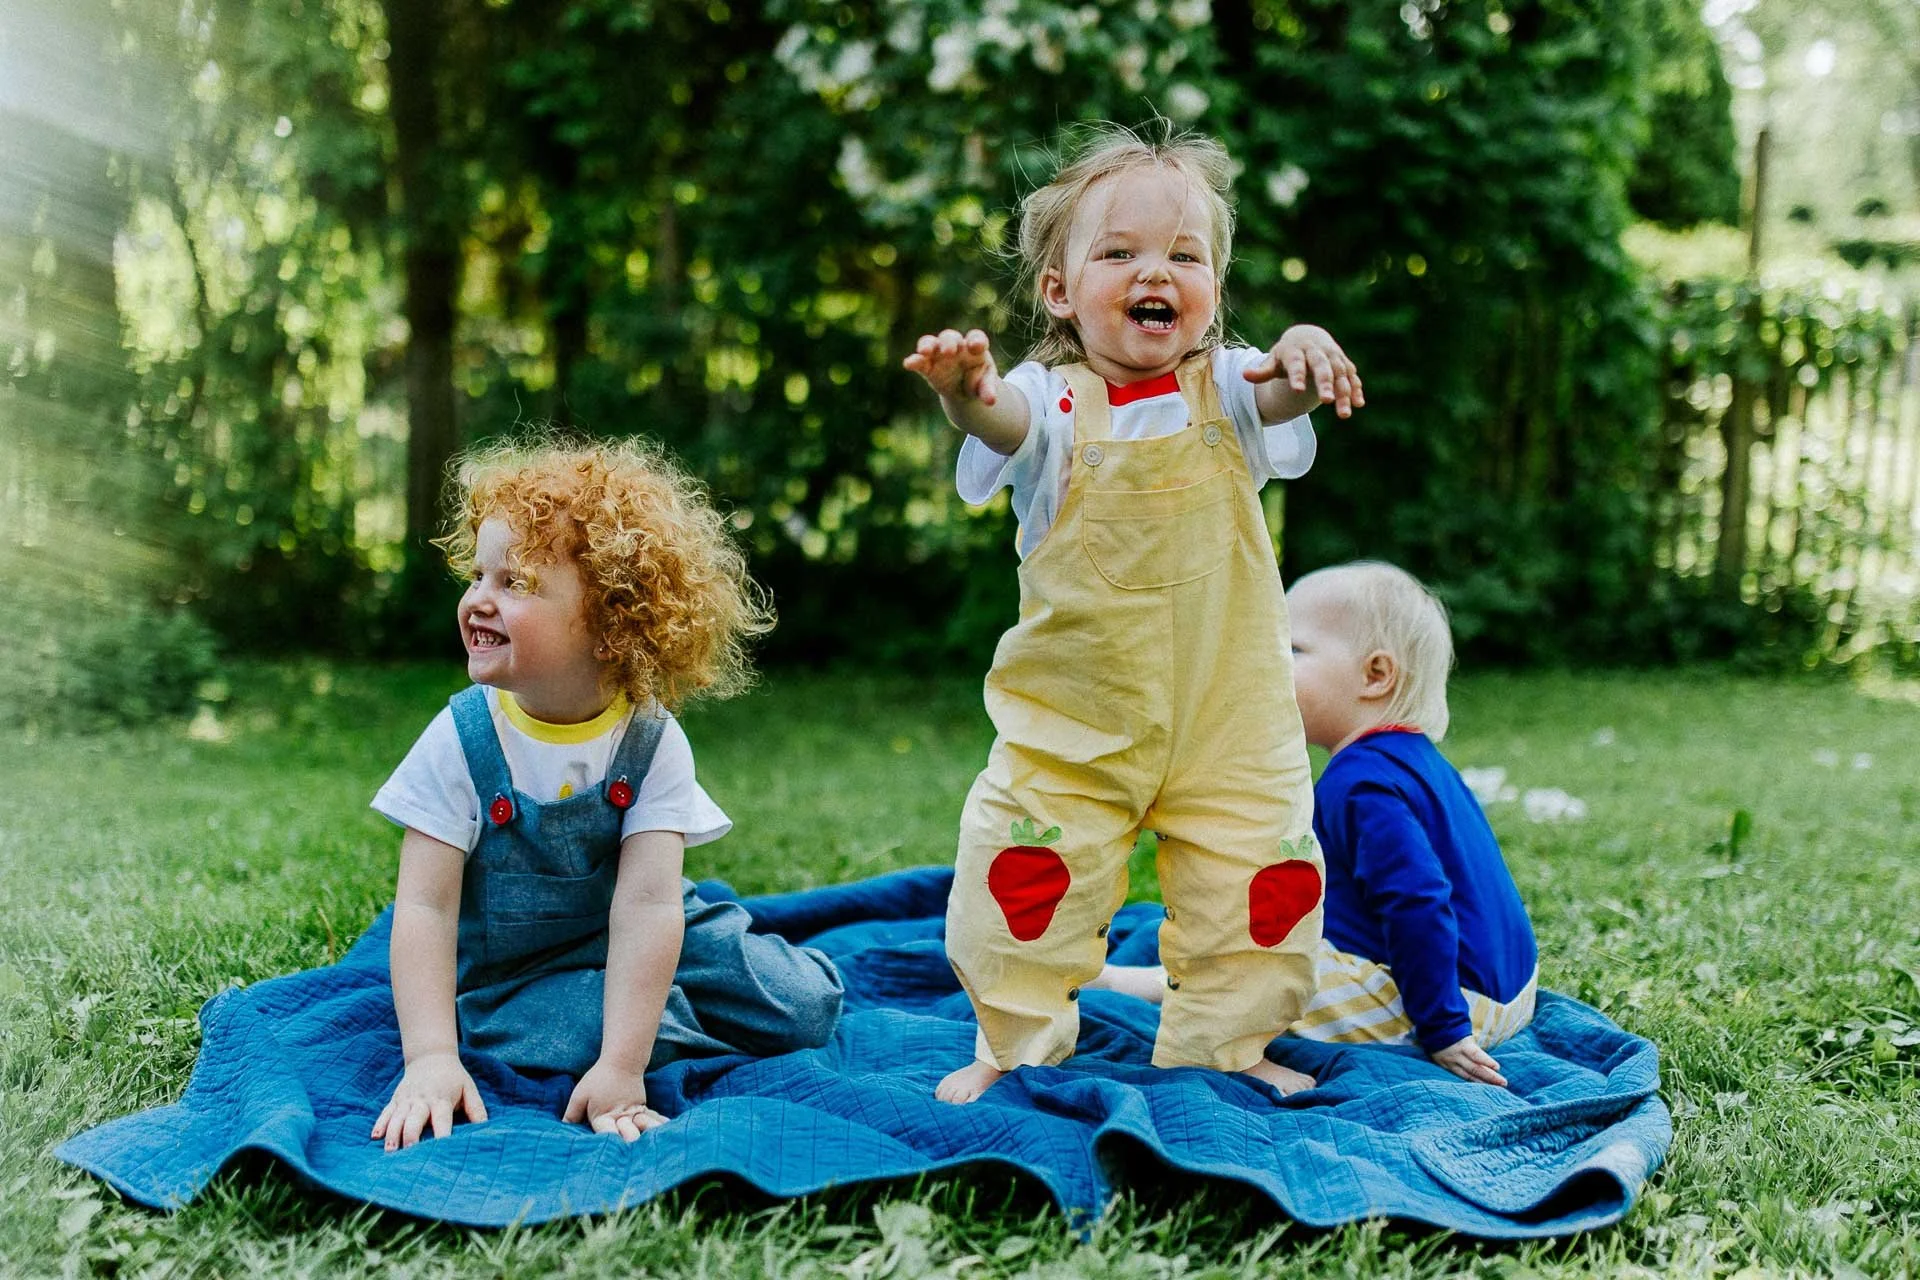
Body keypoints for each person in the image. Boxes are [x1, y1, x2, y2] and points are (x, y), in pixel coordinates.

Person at [902, 121, 1364, 1104]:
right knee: (1016, 885)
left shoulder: (1230, 389)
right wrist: (962, 394)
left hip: (1228, 723)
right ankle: (1015, 1039)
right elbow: (1002, 420)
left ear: (1212, 289)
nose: (1156, 270)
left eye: (1184, 255)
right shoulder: (1051, 404)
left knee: (1265, 889)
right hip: (1075, 730)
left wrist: (1303, 351)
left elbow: (1280, 387)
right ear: (1062, 290)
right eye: (1120, 252)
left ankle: (1230, 1042)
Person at [368, 436, 843, 1150]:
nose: (478, 601)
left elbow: (651, 905)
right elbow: (425, 908)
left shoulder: (651, 742)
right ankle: (649, 1015)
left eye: (514, 583)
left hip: (641, 927)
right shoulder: (461, 740)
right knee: (576, 1030)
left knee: (806, 1007)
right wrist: (431, 1058)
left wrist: (625, 1064)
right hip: (517, 967)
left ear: (612, 626)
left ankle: (652, 1009)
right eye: (477, 576)